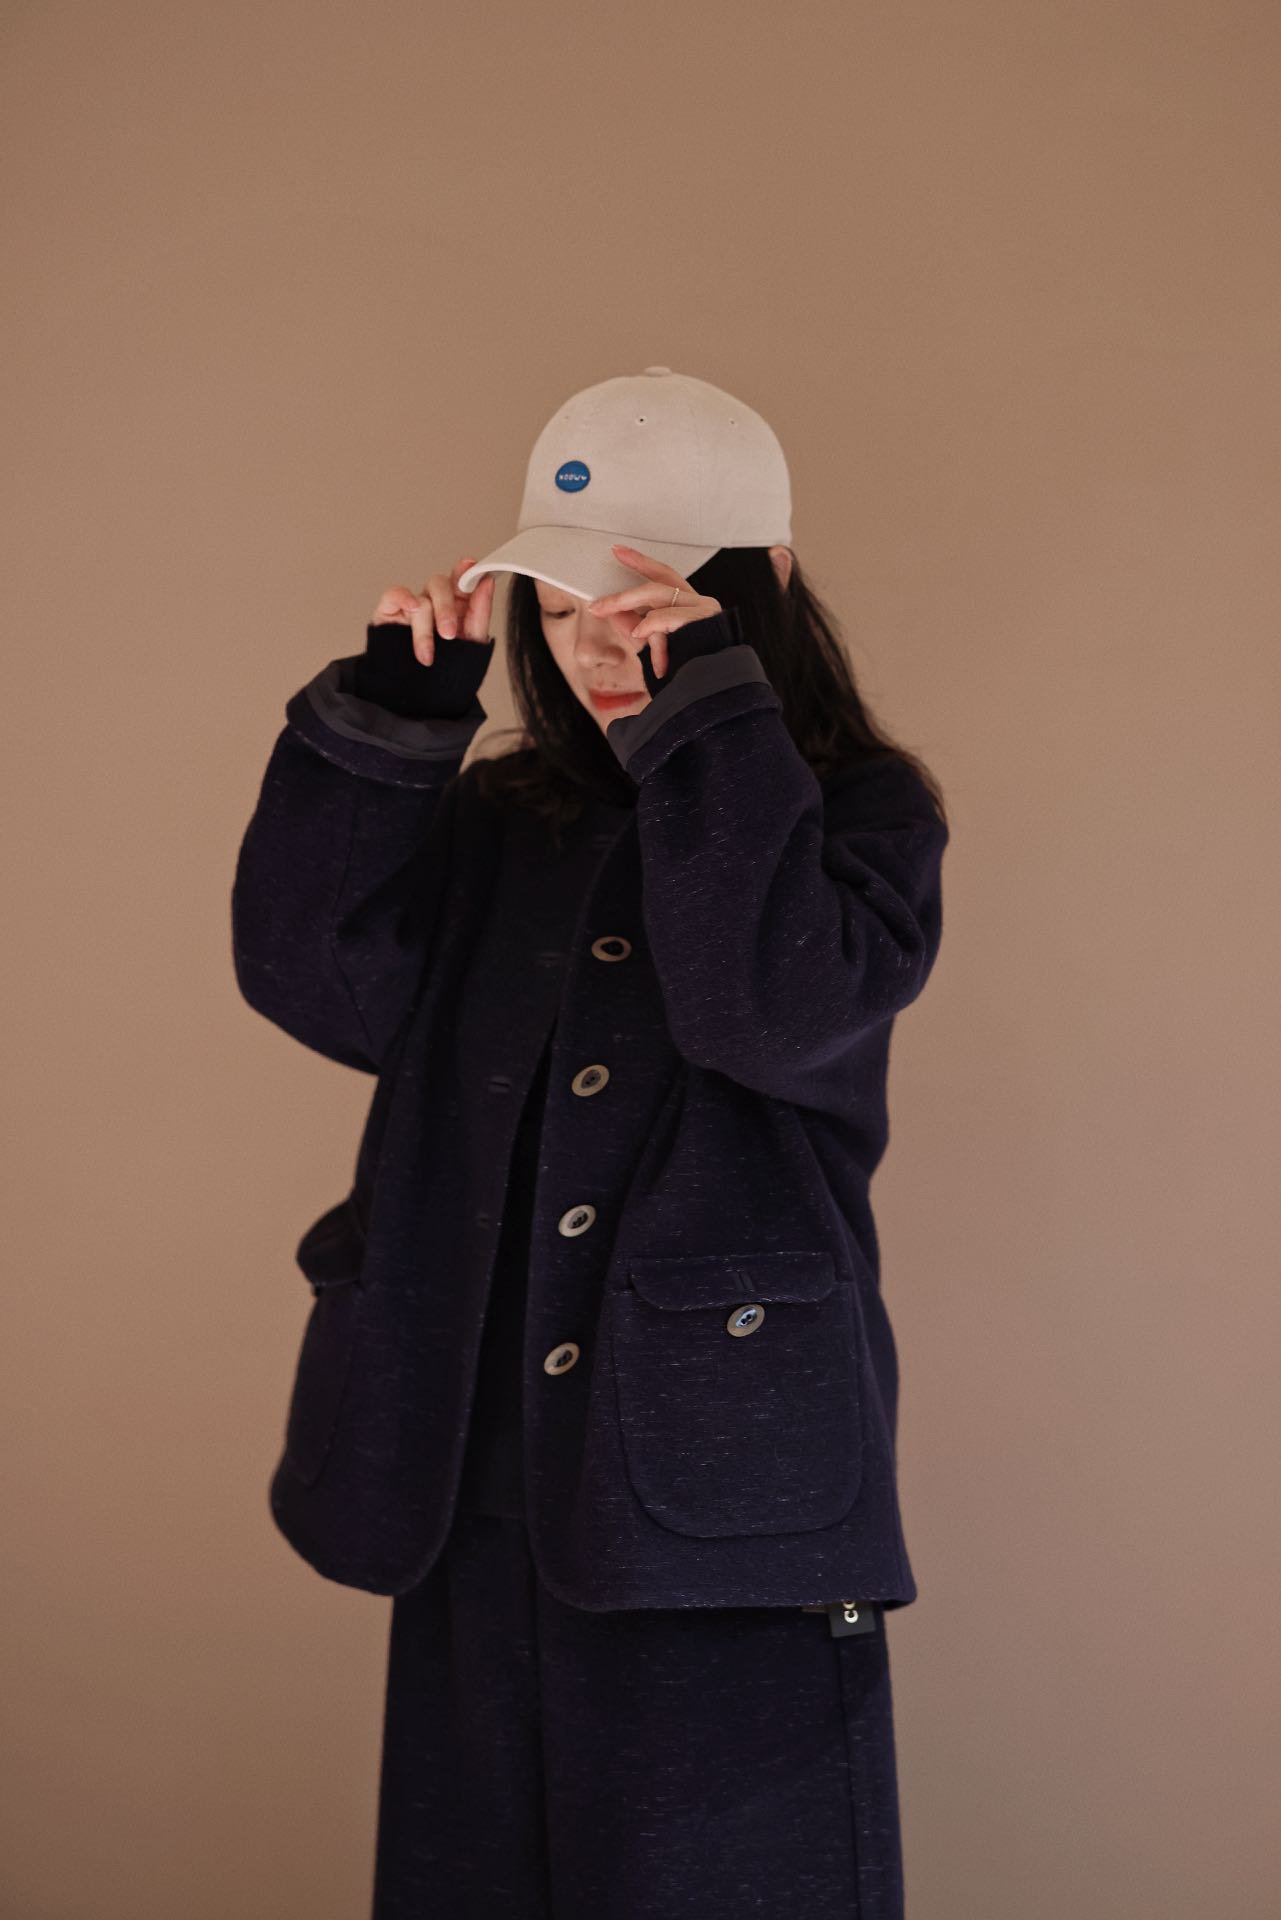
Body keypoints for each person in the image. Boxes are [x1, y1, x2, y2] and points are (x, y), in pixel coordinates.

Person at [232, 367, 950, 1918]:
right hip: (466, 1447)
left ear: (757, 596)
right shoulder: (507, 819)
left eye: (642, 610)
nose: (596, 646)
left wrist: (707, 727)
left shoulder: (860, 814)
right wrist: (394, 726)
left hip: (717, 1481)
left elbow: (769, 1010)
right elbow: (320, 983)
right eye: (561, 610)